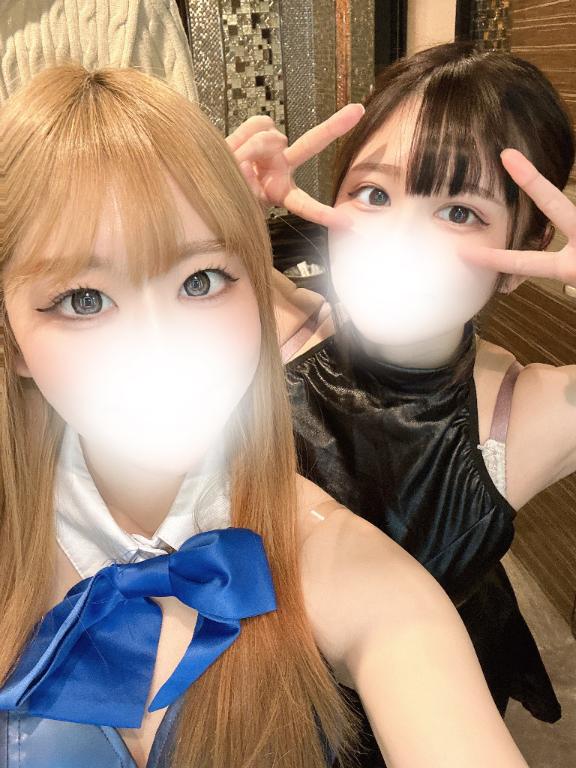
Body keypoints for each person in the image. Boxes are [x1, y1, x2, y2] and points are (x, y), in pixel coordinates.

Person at [0, 61, 534, 768]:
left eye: (200, 280)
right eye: (84, 299)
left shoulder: (350, 570)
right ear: (12, 339)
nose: (161, 348)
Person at [229, 41, 576, 767]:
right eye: (374, 194)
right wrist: (213, 215)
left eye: (458, 210)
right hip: (273, 692)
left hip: (433, 697)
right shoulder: (279, 321)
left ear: (527, 246)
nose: (398, 236)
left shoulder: (524, 413)